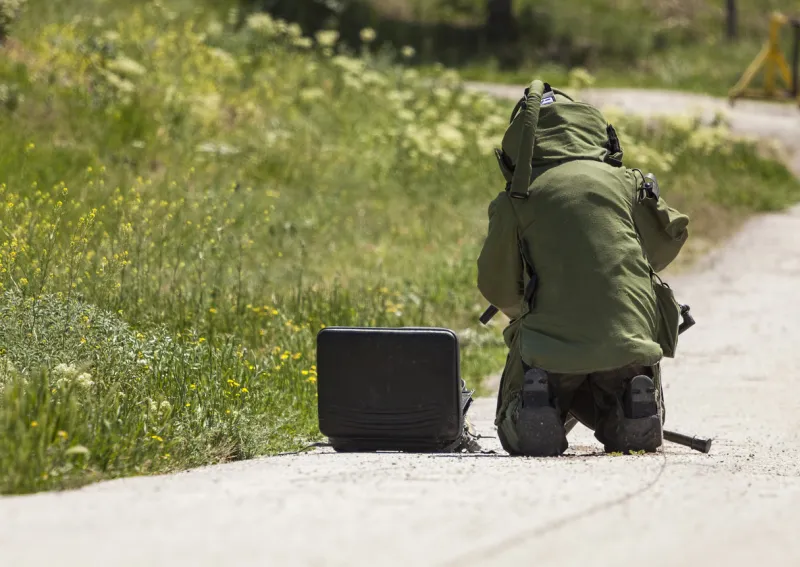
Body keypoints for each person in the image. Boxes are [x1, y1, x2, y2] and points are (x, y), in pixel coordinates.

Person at [477, 80, 690, 457]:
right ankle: (632, 403)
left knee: (533, 386)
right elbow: (668, 240)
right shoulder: (625, 182)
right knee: (621, 376)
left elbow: (497, 287)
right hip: (629, 340)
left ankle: (536, 402)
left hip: (550, 350)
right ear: (591, 131)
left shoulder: (517, 197)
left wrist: (525, 312)